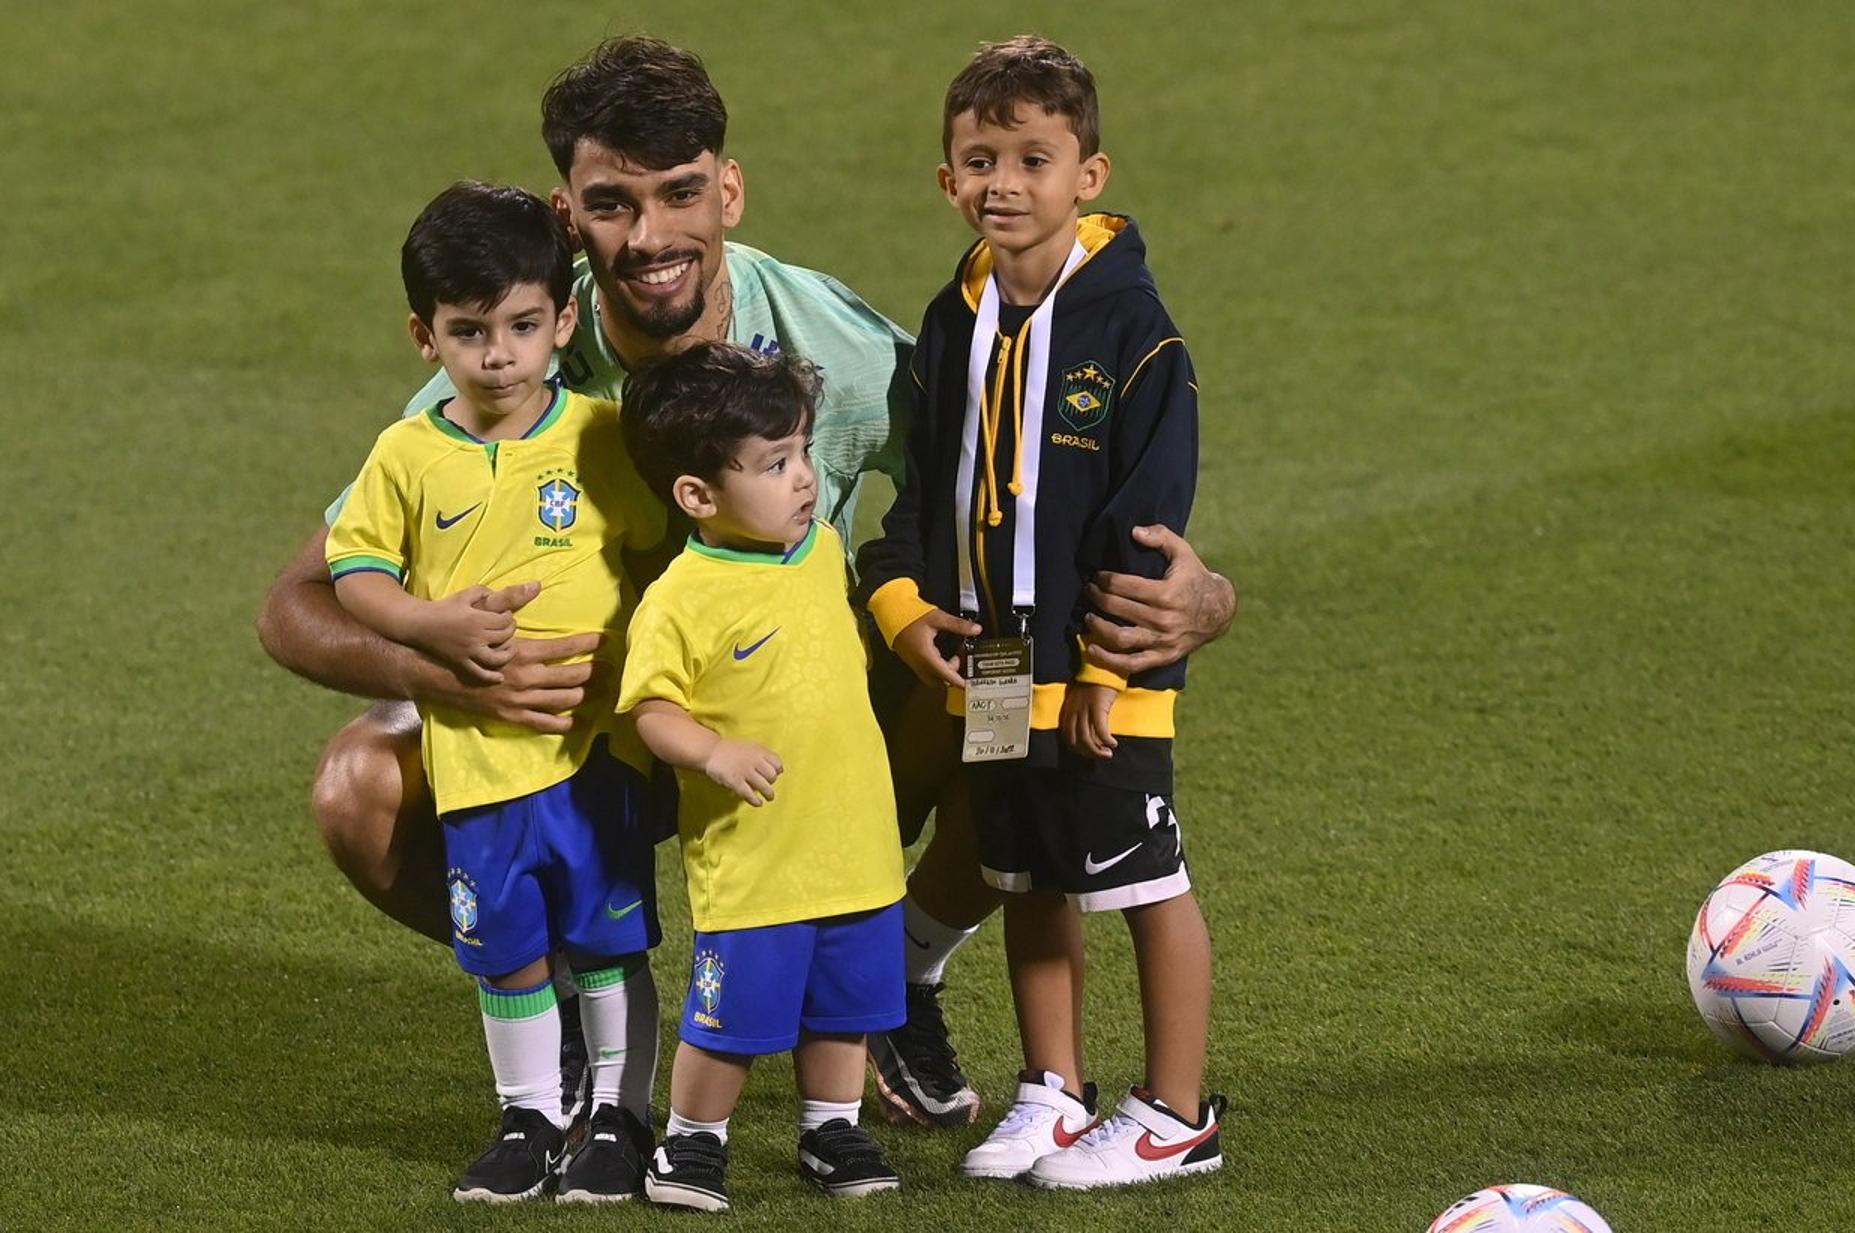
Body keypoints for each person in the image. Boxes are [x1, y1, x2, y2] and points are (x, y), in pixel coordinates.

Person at [255, 34, 1238, 1134]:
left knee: (1003, 700)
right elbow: (296, 604)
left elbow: (1017, 499)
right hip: (586, 728)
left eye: (681, 193)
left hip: (806, 724)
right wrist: (449, 670)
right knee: (359, 786)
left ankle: (898, 967)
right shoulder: (517, 351)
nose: (652, 235)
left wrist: (1203, 600)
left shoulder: (844, 350)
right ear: (567, 211)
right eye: (612, 202)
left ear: (729, 187)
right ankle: (570, 994)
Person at [858, 36, 1221, 1189]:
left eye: (1032, 157)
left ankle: (1175, 1114)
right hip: (999, 661)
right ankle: (1052, 1091)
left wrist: (1114, 675)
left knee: (1143, 879)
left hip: (1104, 669)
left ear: (1089, 175)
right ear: (947, 181)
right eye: (980, 159)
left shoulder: (1134, 331)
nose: (1003, 182)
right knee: (1025, 875)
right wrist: (909, 606)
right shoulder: (953, 320)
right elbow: (921, 487)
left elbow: (1148, 523)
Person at [325, 182, 666, 1202]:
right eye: (469, 332)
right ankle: (529, 1114)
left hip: (593, 755)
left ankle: (621, 1116)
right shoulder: (406, 453)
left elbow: (662, 566)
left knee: (608, 944)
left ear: (565, 321)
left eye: (523, 325)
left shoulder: (607, 438)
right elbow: (356, 573)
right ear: (424, 337)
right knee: (507, 951)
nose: (499, 354)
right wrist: (433, 625)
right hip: (472, 764)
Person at [618, 343, 907, 1209]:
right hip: (756, 864)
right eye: (776, 463)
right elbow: (651, 709)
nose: (805, 479)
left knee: (844, 1009)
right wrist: (713, 752)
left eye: (806, 452)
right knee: (732, 1020)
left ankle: (830, 1126)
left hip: (854, 846)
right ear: (698, 496)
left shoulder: (820, 550)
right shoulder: (682, 595)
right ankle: (691, 1142)